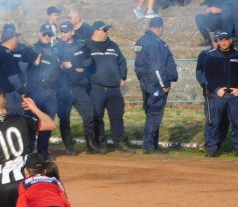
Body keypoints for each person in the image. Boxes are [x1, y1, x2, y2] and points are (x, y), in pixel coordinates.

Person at [201, 30, 238, 157]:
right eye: (221, 40)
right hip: (217, 96)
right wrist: (216, 89)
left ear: (231, 40)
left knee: (237, 123)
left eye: (226, 39)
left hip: (234, 96)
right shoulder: (211, 56)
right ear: (217, 41)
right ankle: (211, 150)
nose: (223, 42)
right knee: (214, 123)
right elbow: (207, 76)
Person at [86, 20, 133, 153]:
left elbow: (122, 61)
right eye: (104, 30)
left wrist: (122, 77)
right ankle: (102, 143)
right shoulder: (87, 46)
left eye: (107, 30)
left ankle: (120, 142)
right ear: (96, 31)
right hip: (96, 88)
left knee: (117, 116)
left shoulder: (113, 45)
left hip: (114, 89)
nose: (107, 32)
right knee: (97, 117)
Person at [134, 17, 178, 154]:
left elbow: (139, 66)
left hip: (147, 83)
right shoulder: (155, 42)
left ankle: (153, 144)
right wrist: (164, 84)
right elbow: (157, 67)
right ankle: (149, 146)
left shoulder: (141, 40)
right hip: (156, 85)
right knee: (154, 115)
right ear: (161, 27)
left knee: (151, 114)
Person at [55, 21, 99, 154]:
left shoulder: (81, 44)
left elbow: (89, 61)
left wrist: (73, 65)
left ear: (72, 32)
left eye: (66, 31)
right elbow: (57, 66)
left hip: (79, 87)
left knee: (89, 114)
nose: (63, 34)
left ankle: (90, 145)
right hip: (63, 88)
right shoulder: (56, 47)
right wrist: (75, 67)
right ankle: (69, 147)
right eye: (61, 31)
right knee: (64, 119)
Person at [26, 24, 60, 158]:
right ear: (39, 34)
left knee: (47, 121)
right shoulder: (33, 49)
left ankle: (43, 152)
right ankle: (28, 152)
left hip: (51, 91)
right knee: (32, 122)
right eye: (44, 34)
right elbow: (25, 67)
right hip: (35, 91)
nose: (47, 37)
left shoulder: (55, 50)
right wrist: (33, 62)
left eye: (49, 34)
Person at [0, 23, 33, 116]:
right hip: (9, 94)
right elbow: (13, 77)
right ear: (11, 39)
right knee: (14, 118)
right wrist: (22, 90)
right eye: (16, 38)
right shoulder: (6, 54)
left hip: (1, 92)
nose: (17, 41)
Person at [196, 35, 230, 151]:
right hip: (212, 92)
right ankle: (211, 147)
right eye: (216, 40)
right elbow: (200, 73)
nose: (218, 42)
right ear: (212, 41)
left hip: (227, 93)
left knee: (225, 120)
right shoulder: (205, 54)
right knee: (212, 120)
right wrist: (206, 85)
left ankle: (217, 145)